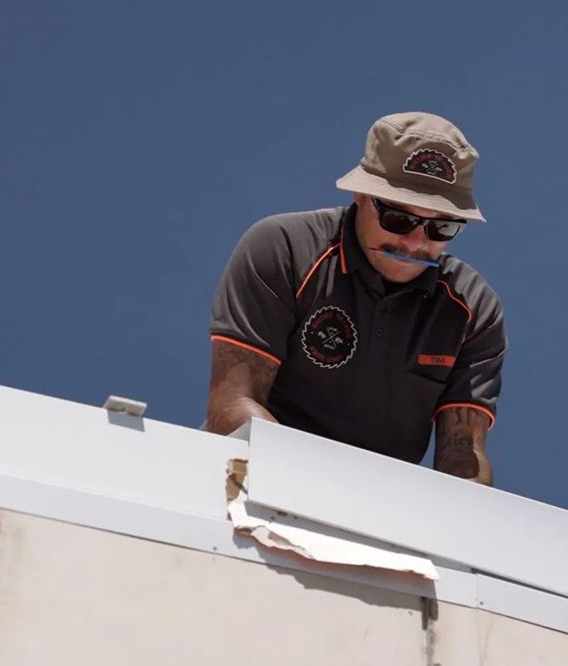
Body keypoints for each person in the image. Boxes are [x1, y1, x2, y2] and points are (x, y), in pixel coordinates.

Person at [205, 112, 506, 485]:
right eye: (398, 218)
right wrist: (325, 491)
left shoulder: (472, 309)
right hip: (244, 485)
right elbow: (231, 408)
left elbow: (462, 455)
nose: (414, 243)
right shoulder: (284, 249)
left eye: (440, 227)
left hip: (370, 518)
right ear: (362, 196)